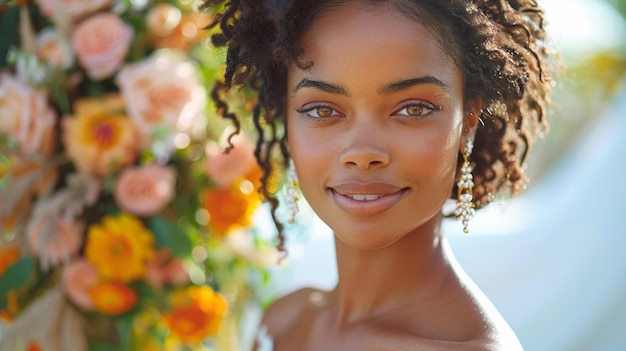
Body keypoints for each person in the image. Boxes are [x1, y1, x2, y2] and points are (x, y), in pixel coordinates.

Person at [201, 0, 556, 349]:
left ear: (468, 122)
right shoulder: (284, 321)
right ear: (286, 117)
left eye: (413, 109)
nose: (362, 153)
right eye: (321, 109)